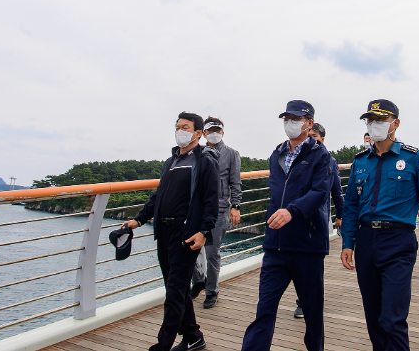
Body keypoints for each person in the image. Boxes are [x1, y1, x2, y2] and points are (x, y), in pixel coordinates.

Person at [341, 99, 419, 351]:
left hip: (399, 242)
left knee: (393, 318)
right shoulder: (361, 161)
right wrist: (347, 242)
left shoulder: (414, 158)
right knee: (373, 317)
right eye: (370, 121)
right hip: (366, 241)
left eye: (380, 120)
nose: (373, 125)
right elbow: (351, 205)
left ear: (395, 123)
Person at [124, 112, 219, 351]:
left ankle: (163, 344)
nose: (180, 131)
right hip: (164, 232)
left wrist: (204, 231)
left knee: (175, 292)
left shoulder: (204, 160)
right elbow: (158, 195)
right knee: (175, 287)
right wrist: (139, 219)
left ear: (198, 133)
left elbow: (211, 200)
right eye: (178, 127)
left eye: (185, 127)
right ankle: (194, 336)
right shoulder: (172, 160)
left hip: (185, 232)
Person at [241, 100, 331, 351]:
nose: (290, 123)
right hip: (275, 246)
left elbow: (320, 192)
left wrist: (292, 212)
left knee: (312, 313)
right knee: (264, 309)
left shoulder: (321, 156)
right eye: (286, 119)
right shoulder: (277, 153)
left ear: (309, 123)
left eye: (296, 119)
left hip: (307, 246)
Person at [293, 122, 344, 319]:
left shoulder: (328, 160)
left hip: (317, 219)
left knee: (313, 266)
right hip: (296, 218)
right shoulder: (297, 157)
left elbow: (337, 192)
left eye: (314, 136)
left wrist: (340, 215)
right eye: (308, 136)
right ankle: (302, 299)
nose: (310, 139)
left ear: (322, 138)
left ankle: (308, 303)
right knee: (297, 264)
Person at [190, 117, 242, 309]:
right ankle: (198, 281)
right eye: (210, 130)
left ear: (222, 132)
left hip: (220, 208)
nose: (214, 133)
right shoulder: (198, 153)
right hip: (197, 208)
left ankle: (212, 291)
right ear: (203, 134)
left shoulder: (231, 154)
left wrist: (235, 206)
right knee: (190, 247)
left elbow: (235, 182)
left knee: (212, 252)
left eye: (217, 130)